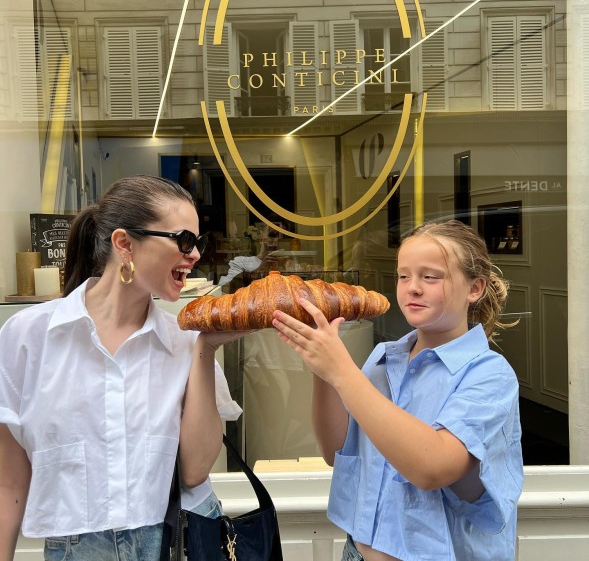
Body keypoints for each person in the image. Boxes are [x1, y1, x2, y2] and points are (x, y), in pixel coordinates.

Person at [0, 175, 243, 561]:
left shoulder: (186, 342)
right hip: (75, 550)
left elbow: (195, 471)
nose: (195, 254)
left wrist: (206, 349)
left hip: (177, 541)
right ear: (124, 244)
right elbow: (10, 480)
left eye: (198, 243)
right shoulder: (29, 337)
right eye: (183, 240)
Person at [272, 219, 523, 561]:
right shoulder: (382, 359)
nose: (412, 288)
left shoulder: (489, 375)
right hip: (355, 551)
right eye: (404, 276)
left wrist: (341, 371)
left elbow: (431, 467)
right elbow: (335, 450)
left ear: (474, 288)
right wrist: (323, 370)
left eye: (430, 277)